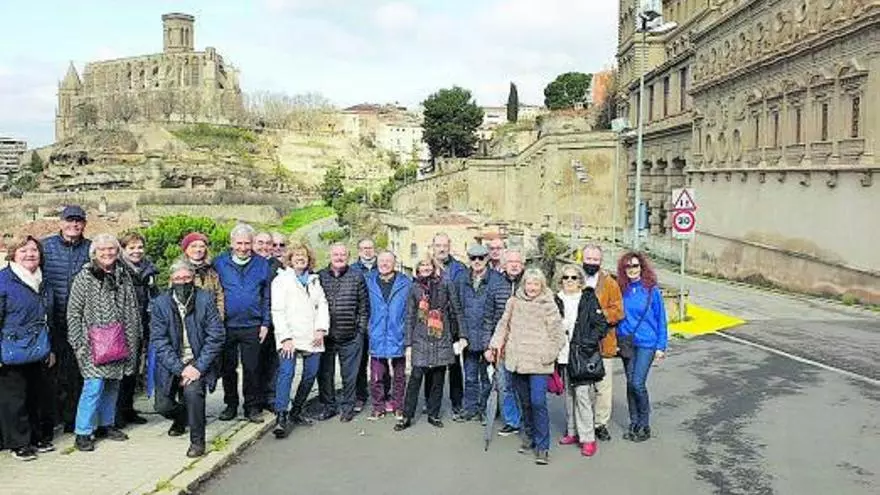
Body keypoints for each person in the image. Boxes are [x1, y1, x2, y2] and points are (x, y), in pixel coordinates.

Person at [67, 233, 141, 452]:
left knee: (113, 384)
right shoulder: (85, 277)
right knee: (94, 386)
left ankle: (106, 425)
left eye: (111, 249)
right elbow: (73, 312)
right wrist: (78, 342)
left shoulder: (123, 275)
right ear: (94, 253)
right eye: (102, 250)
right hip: (93, 343)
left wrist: (135, 336)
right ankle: (82, 432)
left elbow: (132, 307)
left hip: (120, 340)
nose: (107, 253)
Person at [486, 268, 564, 466]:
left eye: (536, 284)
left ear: (542, 285)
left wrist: (548, 355)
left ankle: (543, 446)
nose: (532, 288)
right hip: (517, 360)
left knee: (538, 402)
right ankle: (529, 436)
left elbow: (558, 335)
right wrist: (494, 346)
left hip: (539, 363)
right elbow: (503, 326)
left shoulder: (548, 304)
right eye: (529, 283)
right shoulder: (514, 302)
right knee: (525, 402)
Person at [151, 259, 225, 458]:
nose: (182, 282)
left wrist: (197, 367)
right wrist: (180, 369)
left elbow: (216, 336)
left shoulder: (205, 299)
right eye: (178, 278)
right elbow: (159, 341)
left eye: (187, 278)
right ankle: (182, 416)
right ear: (171, 280)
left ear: (193, 278)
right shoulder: (160, 303)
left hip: (198, 359)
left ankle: (197, 441)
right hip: (172, 361)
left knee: (193, 393)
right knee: (162, 406)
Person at [0, 235, 56, 460]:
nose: (29, 254)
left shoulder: (44, 281)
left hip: (38, 348)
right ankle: (18, 443)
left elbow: (49, 317)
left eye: (34, 250)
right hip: (11, 350)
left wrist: (51, 348)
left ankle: (35, 437)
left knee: (36, 396)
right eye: (23, 250)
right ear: (13, 254)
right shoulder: (4, 281)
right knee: (15, 400)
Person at [394, 255, 464, 431]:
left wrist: (462, 335)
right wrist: (408, 343)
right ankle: (407, 416)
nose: (425, 268)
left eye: (428, 265)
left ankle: (433, 414)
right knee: (416, 377)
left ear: (433, 267)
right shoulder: (414, 287)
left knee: (438, 378)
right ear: (417, 269)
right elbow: (410, 315)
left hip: (441, 335)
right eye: (422, 265)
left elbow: (457, 310)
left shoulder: (446, 283)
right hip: (421, 336)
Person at [213, 224, 272, 423]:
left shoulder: (262, 264)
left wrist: (265, 323)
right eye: (239, 243)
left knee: (252, 368)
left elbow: (267, 296)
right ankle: (230, 404)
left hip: (253, 325)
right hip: (227, 325)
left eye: (247, 243)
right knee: (228, 368)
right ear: (232, 243)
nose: (243, 247)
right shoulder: (219, 262)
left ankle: (252, 407)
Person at [271, 239, 328, 437]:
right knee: (286, 374)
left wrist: (321, 329)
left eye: (303, 256)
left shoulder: (314, 280)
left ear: (309, 259)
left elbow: (322, 306)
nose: (300, 259)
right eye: (296, 256)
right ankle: (281, 416)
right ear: (290, 259)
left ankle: (297, 409)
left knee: (311, 374)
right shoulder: (281, 281)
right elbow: (277, 310)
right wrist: (285, 338)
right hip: (290, 336)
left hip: (312, 334)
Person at [41, 205, 91, 433]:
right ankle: (52, 419)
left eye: (78, 221)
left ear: (84, 224)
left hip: (80, 322)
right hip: (53, 320)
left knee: (76, 374)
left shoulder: (90, 249)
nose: (74, 225)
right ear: (61, 222)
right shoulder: (45, 247)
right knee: (51, 373)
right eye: (70, 220)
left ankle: (72, 420)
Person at [554, 264, 608, 458]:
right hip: (563, 355)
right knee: (569, 395)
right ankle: (572, 432)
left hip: (582, 354)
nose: (569, 281)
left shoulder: (587, 298)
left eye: (573, 277)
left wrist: (587, 342)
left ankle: (588, 438)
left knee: (583, 396)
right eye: (566, 277)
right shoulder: (556, 299)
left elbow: (601, 325)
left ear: (580, 281)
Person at [616, 251, 667, 442]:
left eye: (635, 266)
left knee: (638, 383)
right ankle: (634, 422)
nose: (632, 269)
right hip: (627, 343)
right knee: (630, 384)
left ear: (642, 267)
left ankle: (644, 424)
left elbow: (661, 319)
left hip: (647, 343)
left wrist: (661, 346)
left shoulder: (651, 290)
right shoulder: (622, 289)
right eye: (628, 266)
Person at [317, 243, 369, 423]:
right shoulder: (320, 276)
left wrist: (360, 330)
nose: (339, 258)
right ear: (330, 256)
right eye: (336, 254)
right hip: (326, 336)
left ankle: (348, 407)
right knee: (325, 374)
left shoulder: (357, 276)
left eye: (343, 255)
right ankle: (329, 406)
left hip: (351, 336)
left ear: (348, 256)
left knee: (350, 376)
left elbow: (364, 307)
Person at [580, 244, 624, 442]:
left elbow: (618, 311)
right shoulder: (574, 279)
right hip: (579, 344)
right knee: (581, 387)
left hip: (604, 342)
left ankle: (600, 424)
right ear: (582, 259)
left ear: (601, 261)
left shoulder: (610, 284)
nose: (591, 263)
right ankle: (582, 423)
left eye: (595, 260)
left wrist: (598, 315)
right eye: (588, 259)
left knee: (603, 388)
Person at [115, 231, 158, 428]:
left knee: (134, 370)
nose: (137, 251)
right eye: (131, 248)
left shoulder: (148, 270)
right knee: (121, 372)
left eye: (140, 247)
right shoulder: (118, 270)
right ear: (123, 250)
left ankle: (128, 409)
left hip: (143, 324)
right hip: (123, 327)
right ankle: (117, 414)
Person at [454, 243, 499, 422]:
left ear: (487, 259)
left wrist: (493, 340)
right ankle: (469, 408)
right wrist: (461, 334)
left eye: (481, 258)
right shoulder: (461, 279)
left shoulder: (496, 280)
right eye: (473, 258)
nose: (477, 261)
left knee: (486, 377)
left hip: (487, 336)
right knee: (470, 376)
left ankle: (485, 409)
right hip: (469, 337)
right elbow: (457, 308)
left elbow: (499, 311)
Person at [364, 251, 411, 420]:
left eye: (388, 261)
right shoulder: (368, 281)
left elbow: (410, 309)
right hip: (376, 333)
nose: (384, 264)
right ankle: (378, 406)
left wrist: (407, 331)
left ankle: (398, 405)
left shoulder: (406, 283)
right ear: (377, 262)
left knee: (399, 375)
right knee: (377, 375)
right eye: (381, 261)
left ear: (394, 263)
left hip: (397, 332)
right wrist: (367, 327)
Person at [484, 248, 525, 436]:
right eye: (510, 262)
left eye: (518, 262)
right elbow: (488, 318)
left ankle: (527, 419)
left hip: (525, 346)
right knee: (505, 385)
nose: (514, 265)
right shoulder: (495, 285)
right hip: (501, 345)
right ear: (504, 265)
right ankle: (512, 420)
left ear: (523, 264)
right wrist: (488, 346)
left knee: (524, 386)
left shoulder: (530, 283)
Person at [429, 232, 466, 418]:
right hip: (432, 324)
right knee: (432, 364)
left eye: (445, 245)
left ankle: (457, 402)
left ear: (449, 246)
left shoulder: (460, 268)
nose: (442, 249)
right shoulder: (426, 267)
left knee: (455, 365)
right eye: (438, 245)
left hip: (453, 324)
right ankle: (430, 400)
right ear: (433, 247)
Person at [254, 231, 284, 413]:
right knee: (255, 362)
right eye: (260, 242)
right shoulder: (249, 263)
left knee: (273, 361)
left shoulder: (278, 266)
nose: (264, 247)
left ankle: (271, 397)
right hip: (253, 320)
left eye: (268, 243)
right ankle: (256, 400)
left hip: (275, 320)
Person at [350, 237, 377, 412]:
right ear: (359, 250)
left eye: (370, 248)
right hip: (359, 322)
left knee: (380, 359)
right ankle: (360, 395)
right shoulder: (352, 269)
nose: (367, 251)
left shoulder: (382, 267)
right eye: (364, 248)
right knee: (359, 361)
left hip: (378, 321)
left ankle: (382, 393)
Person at [180, 232, 225, 318]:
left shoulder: (211, 271)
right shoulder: (179, 272)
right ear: (186, 249)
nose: (198, 249)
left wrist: (219, 318)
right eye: (193, 246)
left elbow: (219, 296)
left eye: (202, 246)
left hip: (211, 320)